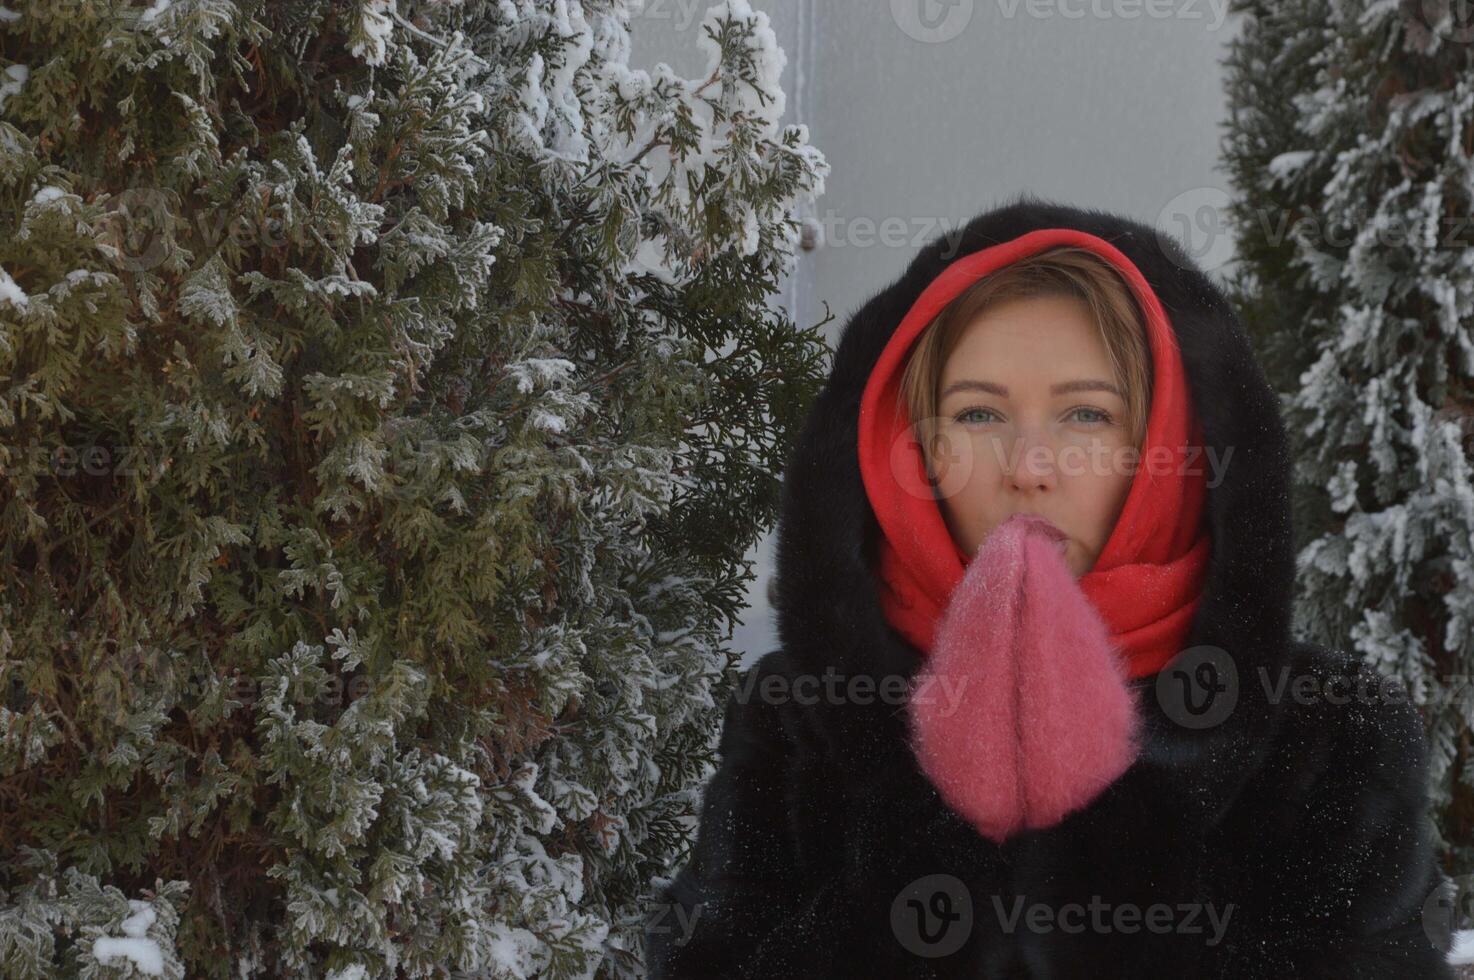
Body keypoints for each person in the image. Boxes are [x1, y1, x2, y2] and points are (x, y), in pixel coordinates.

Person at [643, 196, 1456, 978]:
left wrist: (1119, 852)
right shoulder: (800, 718)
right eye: (977, 416)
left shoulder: (1328, 735)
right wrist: (922, 837)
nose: (1028, 468)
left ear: (1171, 446)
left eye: (1087, 417)